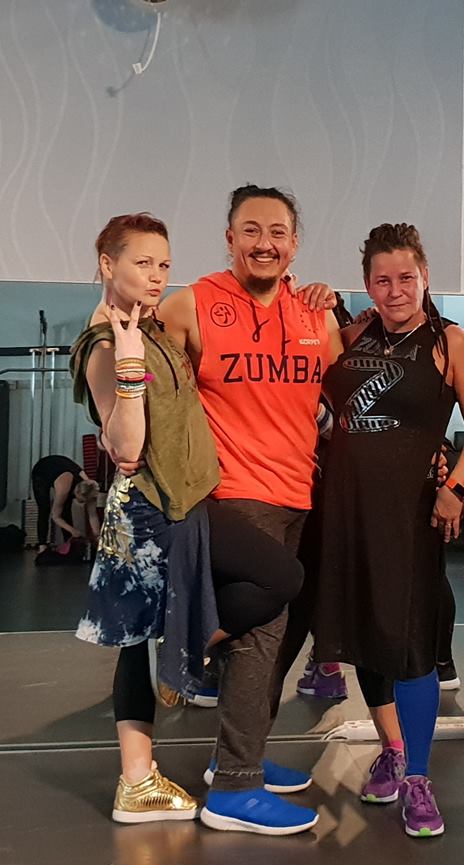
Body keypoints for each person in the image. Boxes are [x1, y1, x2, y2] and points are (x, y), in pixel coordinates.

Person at [71, 213, 302, 824]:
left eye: (163, 264)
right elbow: (125, 446)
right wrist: (127, 368)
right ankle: (180, 659)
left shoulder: (147, 326)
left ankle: (139, 778)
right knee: (279, 578)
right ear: (107, 265)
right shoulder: (105, 344)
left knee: (143, 637)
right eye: (142, 263)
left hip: (185, 501)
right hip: (157, 509)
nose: (156, 276)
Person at [160, 184, 342, 836]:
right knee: (262, 639)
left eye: (278, 232)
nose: (265, 243)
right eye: (252, 230)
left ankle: (239, 757)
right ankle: (234, 789)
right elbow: (142, 380)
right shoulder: (191, 304)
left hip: (299, 495)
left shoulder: (315, 315)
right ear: (230, 238)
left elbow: (345, 399)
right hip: (233, 494)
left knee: (272, 639)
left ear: (294, 244)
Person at [311, 223, 464, 837]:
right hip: (345, 510)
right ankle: (391, 747)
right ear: (368, 285)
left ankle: (418, 776)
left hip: (409, 516)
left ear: (425, 276)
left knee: (410, 644)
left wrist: (454, 488)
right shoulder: (352, 335)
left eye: (406, 278)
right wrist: (316, 302)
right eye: (382, 280)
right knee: (366, 636)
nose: (395, 291)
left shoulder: (452, 343)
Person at [30, 454, 100, 552]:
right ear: (77, 492)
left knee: (66, 510)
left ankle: (68, 544)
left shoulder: (90, 488)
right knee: (44, 508)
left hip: (63, 466)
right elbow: (55, 516)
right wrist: (73, 530)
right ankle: (42, 546)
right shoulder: (64, 487)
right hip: (42, 470)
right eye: (81, 500)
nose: (83, 503)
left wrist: (97, 537)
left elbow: (93, 515)